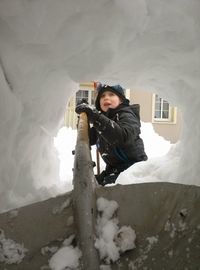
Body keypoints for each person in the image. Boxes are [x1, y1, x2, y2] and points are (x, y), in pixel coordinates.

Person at [75, 83, 147, 186]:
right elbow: (89, 138)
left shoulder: (127, 115)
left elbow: (122, 137)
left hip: (133, 173)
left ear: (121, 100)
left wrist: (96, 117)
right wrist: (84, 117)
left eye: (111, 94)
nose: (106, 98)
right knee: (89, 185)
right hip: (113, 171)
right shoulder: (103, 121)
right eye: (102, 96)